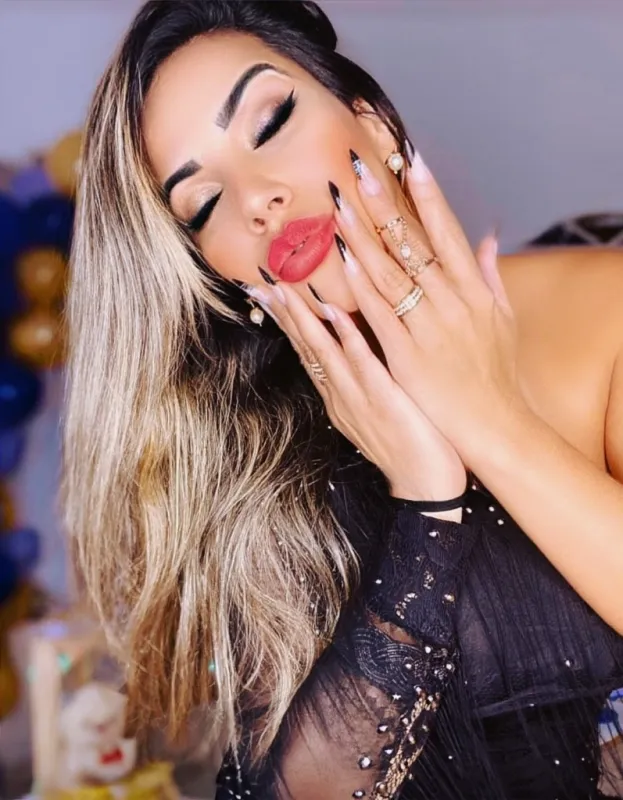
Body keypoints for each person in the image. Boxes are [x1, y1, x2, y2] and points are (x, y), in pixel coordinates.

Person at [63, 2, 623, 798]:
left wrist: (486, 419)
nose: (255, 198)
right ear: (218, 274)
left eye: (270, 123)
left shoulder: (605, 308)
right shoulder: (249, 472)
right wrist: (426, 500)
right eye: (203, 205)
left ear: (374, 124)